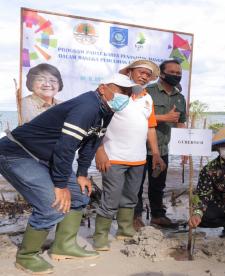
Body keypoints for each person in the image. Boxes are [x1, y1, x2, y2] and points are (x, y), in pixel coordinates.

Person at [0, 74, 140, 274]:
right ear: (102, 88)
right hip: (16, 153)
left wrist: (82, 173)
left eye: (128, 93)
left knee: (80, 194)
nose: (125, 96)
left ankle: (63, 246)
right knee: (52, 205)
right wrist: (60, 185)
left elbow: (92, 143)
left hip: (44, 158)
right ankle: (26, 256)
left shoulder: (106, 110)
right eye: (121, 90)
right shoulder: (87, 106)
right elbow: (65, 148)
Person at [93, 60, 166, 251]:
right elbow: (97, 123)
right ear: (130, 72)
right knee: (110, 198)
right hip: (113, 156)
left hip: (139, 158)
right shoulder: (115, 93)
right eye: (141, 72)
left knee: (131, 197)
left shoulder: (148, 99)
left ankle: (124, 230)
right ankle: (100, 236)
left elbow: (150, 128)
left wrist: (156, 154)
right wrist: (99, 151)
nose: (144, 76)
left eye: (148, 75)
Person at [134, 59, 187, 229]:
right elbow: (135, 116)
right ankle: (135, 217)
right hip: (139, 148)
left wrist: (184, 148)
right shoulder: (147, 92)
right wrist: (164, 118)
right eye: (172, 72)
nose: (176, 76)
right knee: (136, 185)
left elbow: (181, 123)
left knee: (158, 185)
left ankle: (158, 216)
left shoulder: (180, 98)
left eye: (179, 73)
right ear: (162, 74)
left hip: (162, 149)